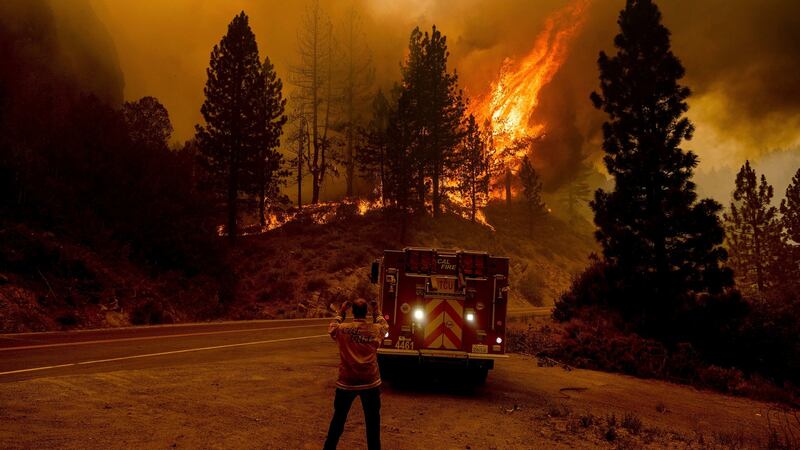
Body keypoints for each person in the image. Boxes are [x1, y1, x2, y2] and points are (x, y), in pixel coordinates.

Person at [323, 299, 389, 450]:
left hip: (346, 382)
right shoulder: (375, 329)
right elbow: (385, 326)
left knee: (338, 419)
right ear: (366, 313)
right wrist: (377, 311)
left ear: (352, 312)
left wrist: (341, 312)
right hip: (370, 382)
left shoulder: (342, 329)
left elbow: (332, 328)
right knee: (373, 423)